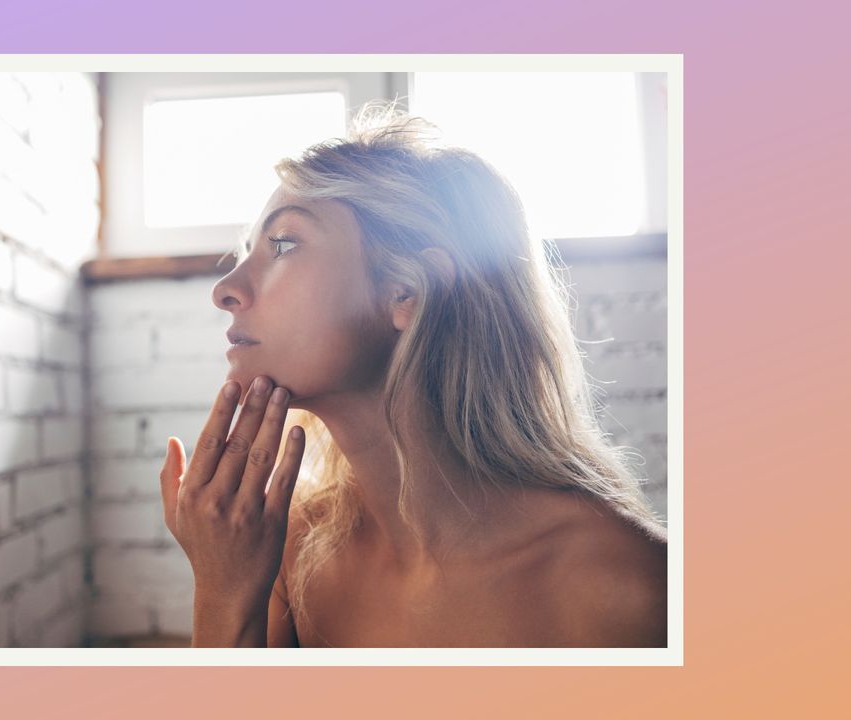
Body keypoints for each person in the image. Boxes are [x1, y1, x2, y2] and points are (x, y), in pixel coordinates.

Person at [158, 101, 668, 648]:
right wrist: (223, 590)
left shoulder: (631, 587)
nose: (225, 290)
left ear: (407, 293)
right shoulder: (287, 549)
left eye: (284, 244)